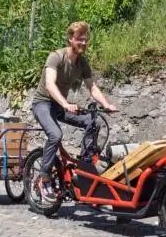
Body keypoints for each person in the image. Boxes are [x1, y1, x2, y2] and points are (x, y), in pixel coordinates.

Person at [31, 21, 117, 202]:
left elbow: (92, 87)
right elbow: (49, 85)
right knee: (55, 134)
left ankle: (85, 164)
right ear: (71, 39)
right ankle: (44, 177)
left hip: (60, 105)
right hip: (43, 104)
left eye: (86, 40)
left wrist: (106, 104)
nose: (83, 43)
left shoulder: (82, 63)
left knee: (94, 121)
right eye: (80, 40)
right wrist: (65, 103)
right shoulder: (56, 57)